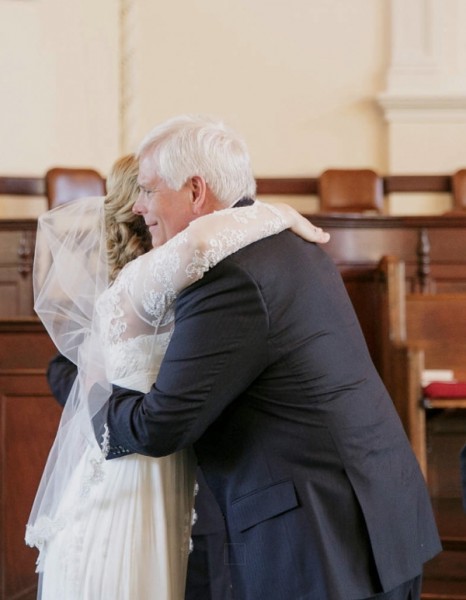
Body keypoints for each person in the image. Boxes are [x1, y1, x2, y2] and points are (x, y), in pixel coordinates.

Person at [93, 114, 443, 600]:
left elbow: (162, 425)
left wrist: (97, 404)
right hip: (374, 511)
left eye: (150, 190)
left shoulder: (227, 275)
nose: (138, 205)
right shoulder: (286, 239)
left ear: (195, 191)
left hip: (323, 540)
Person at [26, 152, 324, 600]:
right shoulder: (157, 279)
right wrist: (277, 212)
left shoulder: (156, 280)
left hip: (160, 483)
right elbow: (206, 240)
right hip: (137, 477)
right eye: (147, 191)